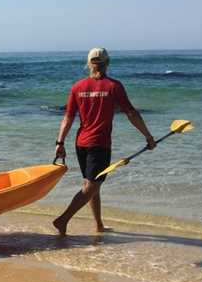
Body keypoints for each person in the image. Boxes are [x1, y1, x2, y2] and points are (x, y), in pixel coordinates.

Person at [52, 48, 156, 236]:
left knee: (92, 185)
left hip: (81, 143)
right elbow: (131, 113)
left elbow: (67, 118)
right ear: (108, 63)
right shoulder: (114, 86)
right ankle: (63, 219)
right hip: (99, 144)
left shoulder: (77, 87)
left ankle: (98, 225)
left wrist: (60, 143)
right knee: (92, 185)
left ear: (88, 64)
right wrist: (148, 136)